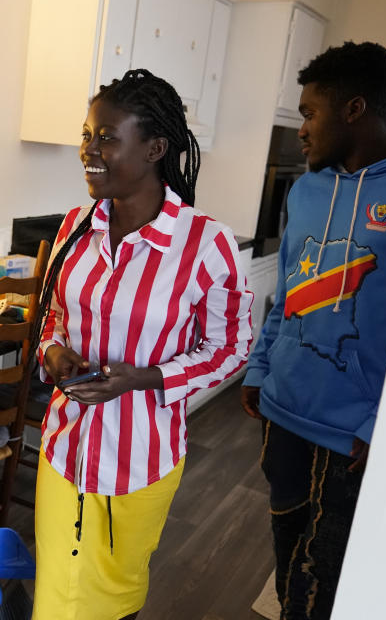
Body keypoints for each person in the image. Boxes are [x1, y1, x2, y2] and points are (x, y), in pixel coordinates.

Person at [31, 69, 254, 620]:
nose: (89, 150)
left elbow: (232, 346)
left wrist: (148, 378)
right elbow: (53, 317)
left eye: (107, 137)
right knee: (55, 590)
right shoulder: (73, 227)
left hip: (142, 459)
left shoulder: (206, 244)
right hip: (63, 448)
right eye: (87, 135)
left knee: (116, 593)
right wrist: (54, 353)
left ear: (156, 147)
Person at [240, 41, 386, 620]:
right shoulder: (305, 189)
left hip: (354, 435)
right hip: (282, 412)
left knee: (324, 576)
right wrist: (260, 368)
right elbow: (287, 289)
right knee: (287, 552)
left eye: (308, 113)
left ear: (354, 109)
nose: (301, 130)